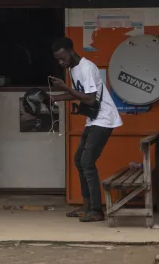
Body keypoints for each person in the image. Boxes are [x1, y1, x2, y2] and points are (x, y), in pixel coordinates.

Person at [49, 37, 123, 222]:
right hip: (94, 119)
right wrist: (55, 97)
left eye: (62, 57)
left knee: (87, 162)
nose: (60, 61)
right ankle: (87, 207)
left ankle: (96, 211)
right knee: (79, 161)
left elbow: (89, 99)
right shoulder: (73, 69)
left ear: (70, 51)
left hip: (104, 119)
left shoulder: (87, 67)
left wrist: (65, 87)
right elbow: (78, 94)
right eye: (57, 59)